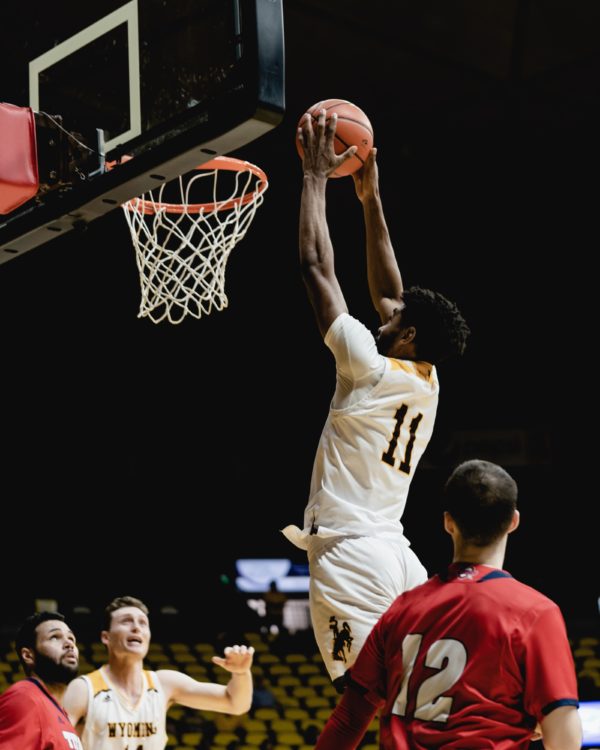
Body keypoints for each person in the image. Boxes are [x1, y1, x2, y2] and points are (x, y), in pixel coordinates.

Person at [283, 109, 470, 689]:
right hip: (395, 548)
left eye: (396, 318)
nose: (384, 313)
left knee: (363, 692)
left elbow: (316, 267)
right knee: (429, 691)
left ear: (407, 334)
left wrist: (315, 177)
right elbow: (392, 294)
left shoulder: (365, 364)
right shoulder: (428, 379)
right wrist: (370, 201)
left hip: (349, 550)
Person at [314, 459, 582, 750]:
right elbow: (565, 741)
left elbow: (348, 720)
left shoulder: (401, 610)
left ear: (448, 522)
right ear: (513, 521)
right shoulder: (535, 613)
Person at [63, 596, 254, 749]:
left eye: (143, 623)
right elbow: (54, 740)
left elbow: (236, 703)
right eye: (126, 621)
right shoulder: (83, 689)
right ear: (106, 637)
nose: (136, 627)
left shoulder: (164, 683)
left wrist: (241, 673)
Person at [0, 611, 83, 749]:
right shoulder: (25, 698)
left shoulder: (60, 712)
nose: (69, 644)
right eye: (54, 637)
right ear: (28, 656)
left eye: (71, 638)